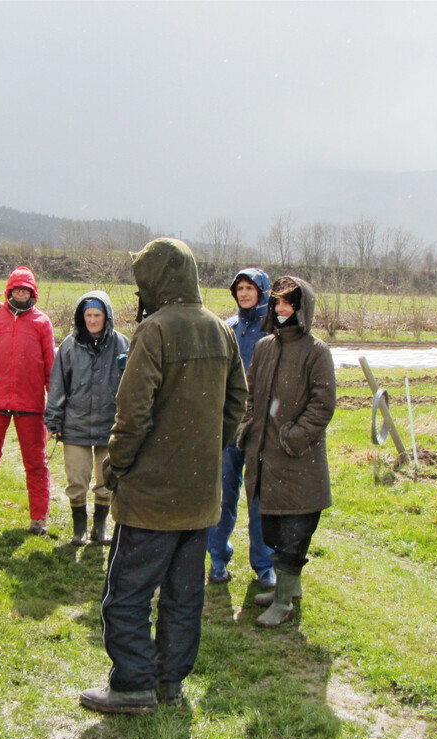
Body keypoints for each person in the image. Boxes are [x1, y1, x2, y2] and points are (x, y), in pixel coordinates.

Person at [80, 238, 247, 715]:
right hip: (199, 497)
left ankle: (134, 686)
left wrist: (118, 465)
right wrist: (203, 449)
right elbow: (238, 402)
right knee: (182, 596)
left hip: (151, 498)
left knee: (127, 597)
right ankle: (169, 684)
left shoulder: (155, 331)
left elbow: (132, 414)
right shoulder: (221, 330)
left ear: (156, 280)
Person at [238, 276, 336, 628]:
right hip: (265, 459)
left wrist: (293, 436)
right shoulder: (265, 347)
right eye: (278, 303)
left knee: (295, 533)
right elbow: (251, 395)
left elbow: (323, 405)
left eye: (289, 304)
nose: (282, 310)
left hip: (299, 463)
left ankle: (284, 600)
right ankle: (288, 590)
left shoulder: (316, 351)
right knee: (273, 531)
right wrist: (248, 427)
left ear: (302, 308)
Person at [0, 266, 55, 535]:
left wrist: (55, 406)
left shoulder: (42, 323)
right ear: (9, 290)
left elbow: (51, 367)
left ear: (32, 292)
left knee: (36, 462)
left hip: (31, 403)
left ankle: (39, 516)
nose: (20, 292)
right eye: (16, 288)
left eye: (25, 289)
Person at [207, 268, 276, 587]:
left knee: (259, 498)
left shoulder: (273, 331)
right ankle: (218, 558)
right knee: (223, 495)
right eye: (240, 288)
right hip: (227, 426)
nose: (245, 293)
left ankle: (264, 564)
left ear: (262, 293)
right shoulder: (227, 328)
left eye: (251, 288)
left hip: (261, 429)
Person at [44, 291, 129, 546]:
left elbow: (133, 387)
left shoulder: (124, 345)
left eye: (98, 315)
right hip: (75, 425)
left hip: (111, 425)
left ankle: (100, 528)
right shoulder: (69, 346)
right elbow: (57, 386)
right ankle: (79, 528)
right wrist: (54, 421)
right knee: (77, 479)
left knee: (106, 481)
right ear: (82, 317)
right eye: (88, 315)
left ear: (107, 317)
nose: (92, 320)